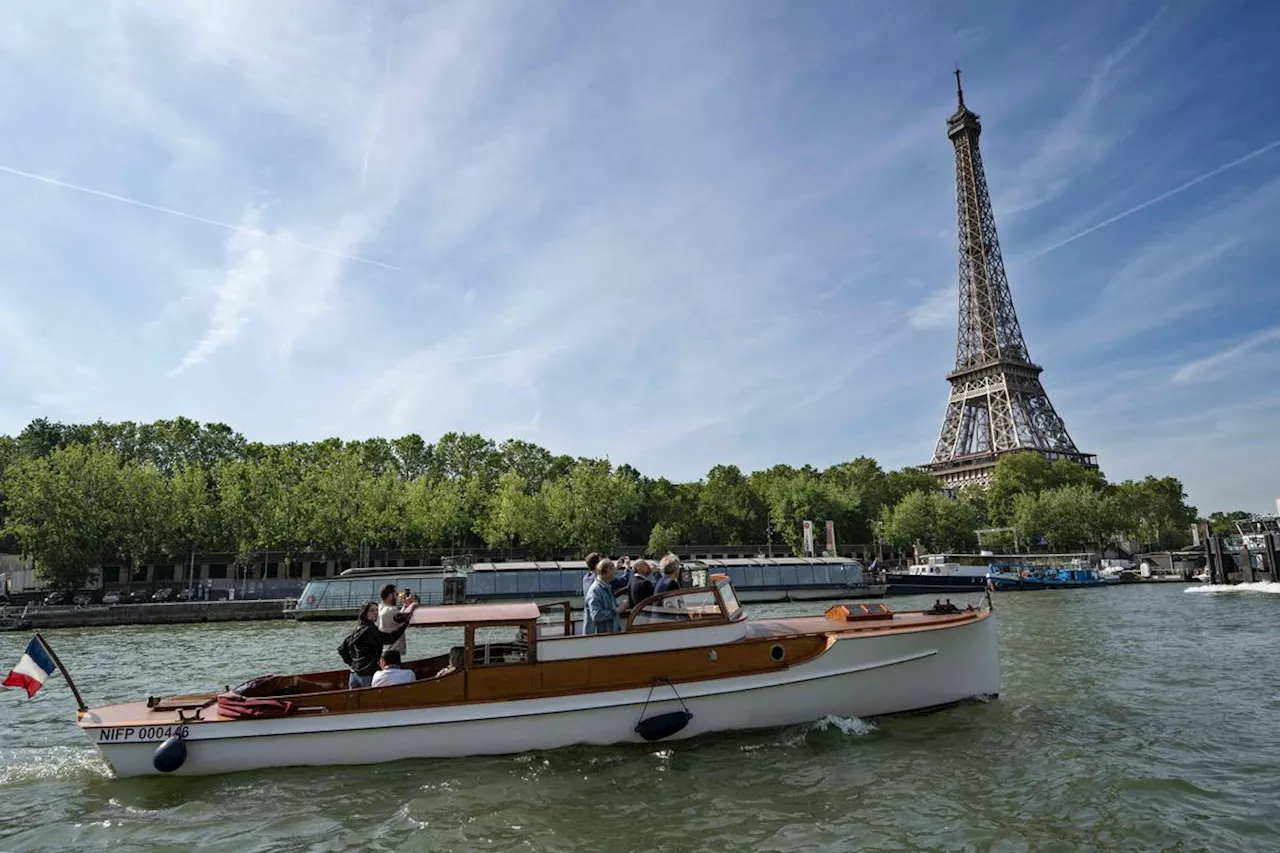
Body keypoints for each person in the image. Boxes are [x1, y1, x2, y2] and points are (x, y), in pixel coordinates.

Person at [338, 600, 417, 689]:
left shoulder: (357, 629)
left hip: (354, 675)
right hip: (368, 675)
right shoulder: (370, 630)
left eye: (376, 610)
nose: (375, 613)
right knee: (369, 701)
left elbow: (342, 649)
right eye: (372, 610)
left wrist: (352, 664)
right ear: (365, 613)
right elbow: (390, 638)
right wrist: (405, 623)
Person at [584, 558, 622, 634]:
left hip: (607, 635)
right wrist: (616, 610)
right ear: (607, 570)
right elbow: (596, 615)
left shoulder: (606, 587)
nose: (615, 572)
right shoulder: (595, 590)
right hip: (599, 638)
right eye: (613, 569)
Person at [376, 583, 412, 656]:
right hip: (393, 651)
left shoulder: (379, 608)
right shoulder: (391, 610)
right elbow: (406, 619)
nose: (398, 597)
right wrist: (412, 605)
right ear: (390, 596)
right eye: (396, 594)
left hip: (383, 650)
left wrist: (405, 606)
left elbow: (396, 618)